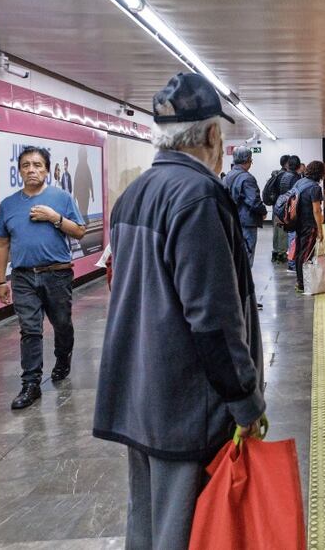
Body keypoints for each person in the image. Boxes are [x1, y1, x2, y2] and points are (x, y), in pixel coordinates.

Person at [93, 72, 265, 549]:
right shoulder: (199, 197)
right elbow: (212, 319)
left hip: (141, 394)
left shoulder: (133, 196)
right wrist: (244, 400)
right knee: (184, 531)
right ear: (212, 135)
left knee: (147, 525)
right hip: (187, 403)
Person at [0, 146, 87, 410]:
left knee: (62, 324)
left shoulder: (61, 198)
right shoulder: (9, 204)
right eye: (26, 165)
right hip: (23, 277)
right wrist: (1, 280)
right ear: (19, 170)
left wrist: (54, 218)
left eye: (37, 165)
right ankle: (31, 384)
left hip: (56, 274)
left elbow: (79, 232)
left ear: (47, 170)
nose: (31, 170)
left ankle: (63, 357)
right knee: (30, 330)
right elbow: (2, 243)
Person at [223, 147, 267, 268]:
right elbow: (254, 201)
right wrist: (263, 211)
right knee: (247, 254)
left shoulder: (227, 177)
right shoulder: (247, 178)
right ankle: (244, 284)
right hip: (247, 222)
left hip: (232, 220)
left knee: (235, 254)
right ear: (247, 160)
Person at [293, 161, 325, 293]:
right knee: (306, 254)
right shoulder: (315, 187)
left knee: (299, 253)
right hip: (309, 225)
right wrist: (320, 230)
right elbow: (317, 210)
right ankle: (303, 283)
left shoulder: (300, 182)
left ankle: (300, 281)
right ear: (320, 173)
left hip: (299, 223)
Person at [283, 156, 303, 272]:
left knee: (290, 238)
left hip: (286, 212)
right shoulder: (296, 178)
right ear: (298, 166)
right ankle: (292, 264)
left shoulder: (283, 176)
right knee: (293, 239)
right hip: (293, 213)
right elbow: (297, 197)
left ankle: (291, 262)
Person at [270, 155, 291, 263]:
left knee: (276, 231)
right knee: (282, 231)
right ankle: (281, 254)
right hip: (282, 207)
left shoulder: (276, 174)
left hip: (275, 207)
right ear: (286, 163)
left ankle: (275, 252)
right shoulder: (285, 176)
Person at [73, 147, 95, 221]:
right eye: (85, 154)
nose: (86, 156)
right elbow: (75, 182)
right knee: (82, 208)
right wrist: (74, 195)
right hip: (81, 193)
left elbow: (90, 180)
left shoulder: (85, 166)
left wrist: (92, 193)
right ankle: (83, 219)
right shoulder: (80, 166)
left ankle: (84, 219)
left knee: (84, 208)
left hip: (85, 192)